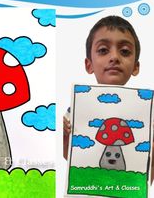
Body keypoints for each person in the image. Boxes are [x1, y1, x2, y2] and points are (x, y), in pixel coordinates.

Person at [63, 15, 154, 183]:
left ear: (136, 66)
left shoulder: (150, 113)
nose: (114, 57)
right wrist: (63, 137)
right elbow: (72, 158)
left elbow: (148, 176)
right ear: (88, 65)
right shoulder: (76, 109)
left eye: (125, 51)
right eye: (103, 50)